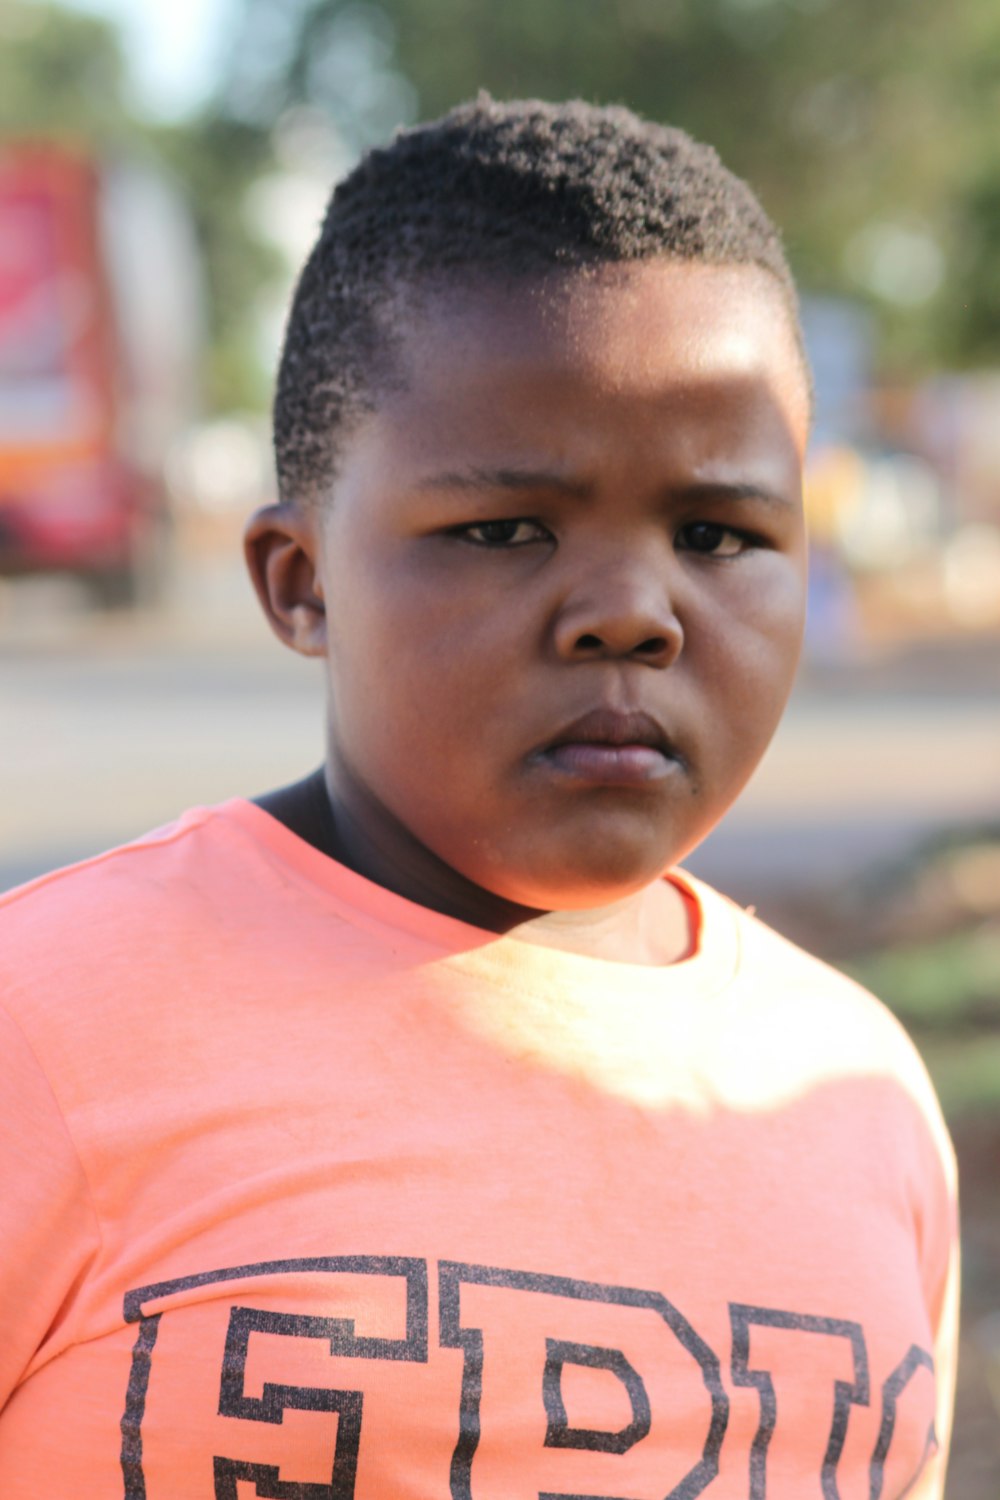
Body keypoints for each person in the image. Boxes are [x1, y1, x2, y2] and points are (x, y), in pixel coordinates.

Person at [0, 96, 957, 1497]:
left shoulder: (857, 1092)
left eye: (718, 532)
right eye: (503, 530)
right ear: (301, 580)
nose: (631, 612)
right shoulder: (47, 1028)